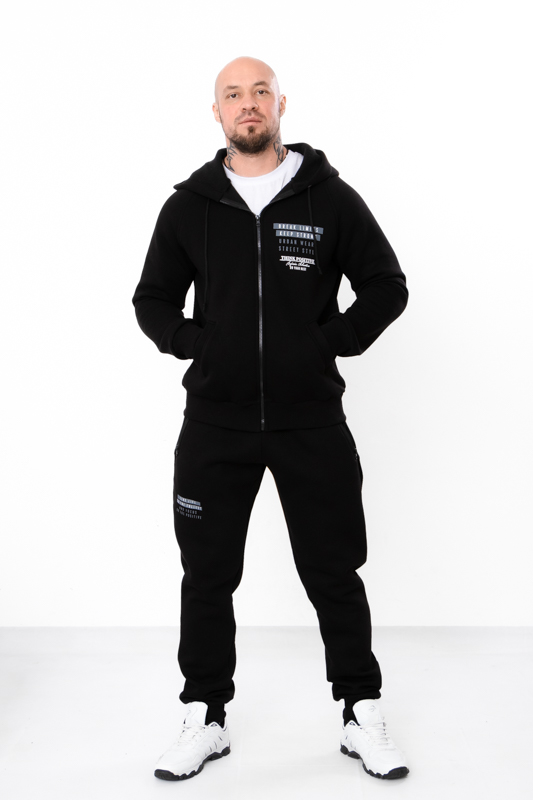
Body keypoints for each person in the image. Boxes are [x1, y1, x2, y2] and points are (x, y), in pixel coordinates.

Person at [131, 55, 410, 782]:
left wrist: (327, 342)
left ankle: (360, 710)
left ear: (281, 104)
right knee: (206, 574)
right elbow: (151, 300)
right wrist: (199, 345)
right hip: (214, 425)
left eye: (260, 92)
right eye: (233, 94)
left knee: (334, 570)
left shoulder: (329, 198)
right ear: (217, 112)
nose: (247, 104)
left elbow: (386, 285)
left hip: (310, 421)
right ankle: (205, 714)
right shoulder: (189, 206)